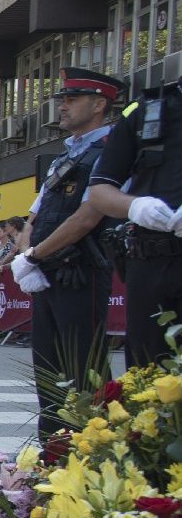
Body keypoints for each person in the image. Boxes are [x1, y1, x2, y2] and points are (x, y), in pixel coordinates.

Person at [5, 69, 118, 433]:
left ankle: (93, 451)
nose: (63, 107)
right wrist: (27, 254)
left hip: (80, 272)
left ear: (99, 104)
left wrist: (34, 256)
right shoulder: (62, 158)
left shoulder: (111, 151)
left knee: (83, 369)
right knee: (48, 370)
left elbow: (87, 218)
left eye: (72, 100)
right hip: (47, 275)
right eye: (63, 100)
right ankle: (53, 453)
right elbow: (33, 218)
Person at [85, 78, 182, 368]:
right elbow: (100, 190)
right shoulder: (144, 109)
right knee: (148, 372)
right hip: (152, 263)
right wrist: (136, 206)